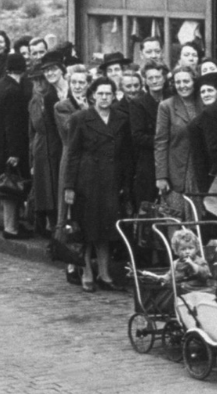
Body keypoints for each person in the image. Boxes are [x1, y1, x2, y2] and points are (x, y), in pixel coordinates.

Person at [63, 76, 131, 293]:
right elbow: (72, 154)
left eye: (108, 94)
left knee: (107, 228)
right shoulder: (80, 118)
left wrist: (125, 183)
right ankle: (87, 272)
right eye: (100, 93)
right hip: (87, 181)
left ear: (114, 95)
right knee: (87, 228)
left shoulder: (121, 118)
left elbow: (125, 154)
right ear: (92, 95)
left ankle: (104, 273)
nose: (104, 98)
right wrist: (69, 186)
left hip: (111, 180)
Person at [0, 53, 31, 239]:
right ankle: (11, 228)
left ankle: (11, 225)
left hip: (0, 143)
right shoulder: (14, 91)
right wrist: (15, 152)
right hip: (11, 146)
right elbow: (13, 124)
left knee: (7, 185)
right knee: (12, 186)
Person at [155, 65, 204, 207]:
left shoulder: (203, 103)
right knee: (176, 216)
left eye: (186, 81)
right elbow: (160, 142)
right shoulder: (166, 106)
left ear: (194, 81)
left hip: (200, 169)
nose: (182, 86)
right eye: (178, 82)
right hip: (176, 170)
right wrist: (161, 176)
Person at [29, 50, 65, 233]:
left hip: (56, 147)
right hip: (41, 149)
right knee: (44, 189)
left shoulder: (53, 98)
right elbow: (31, 132)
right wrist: (31, 160)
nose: (39, 84)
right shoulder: (34, 101)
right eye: (35, 81)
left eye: (41, 79)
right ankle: (47, 223)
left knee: (56, 187)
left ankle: (57, 226)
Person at [128, 61, 165, 209]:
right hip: (148, 160)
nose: (155, 81)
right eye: (150, 78)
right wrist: (164, 142)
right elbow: (137, 136)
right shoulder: (139, 104)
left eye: (158, 77)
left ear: (164, 78)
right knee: (148, 204)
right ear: (145, 81)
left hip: (170, 158)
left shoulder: (171, 99)